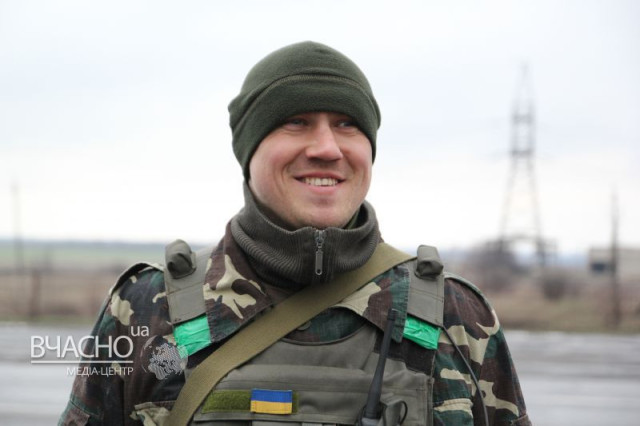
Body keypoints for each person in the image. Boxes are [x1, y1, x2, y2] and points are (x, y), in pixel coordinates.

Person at [59, 41, 531, 426]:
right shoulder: (146, 308)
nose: (326, 148)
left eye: (347, 124)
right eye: (295, 122)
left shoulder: (456, 316)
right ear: (249, 152)